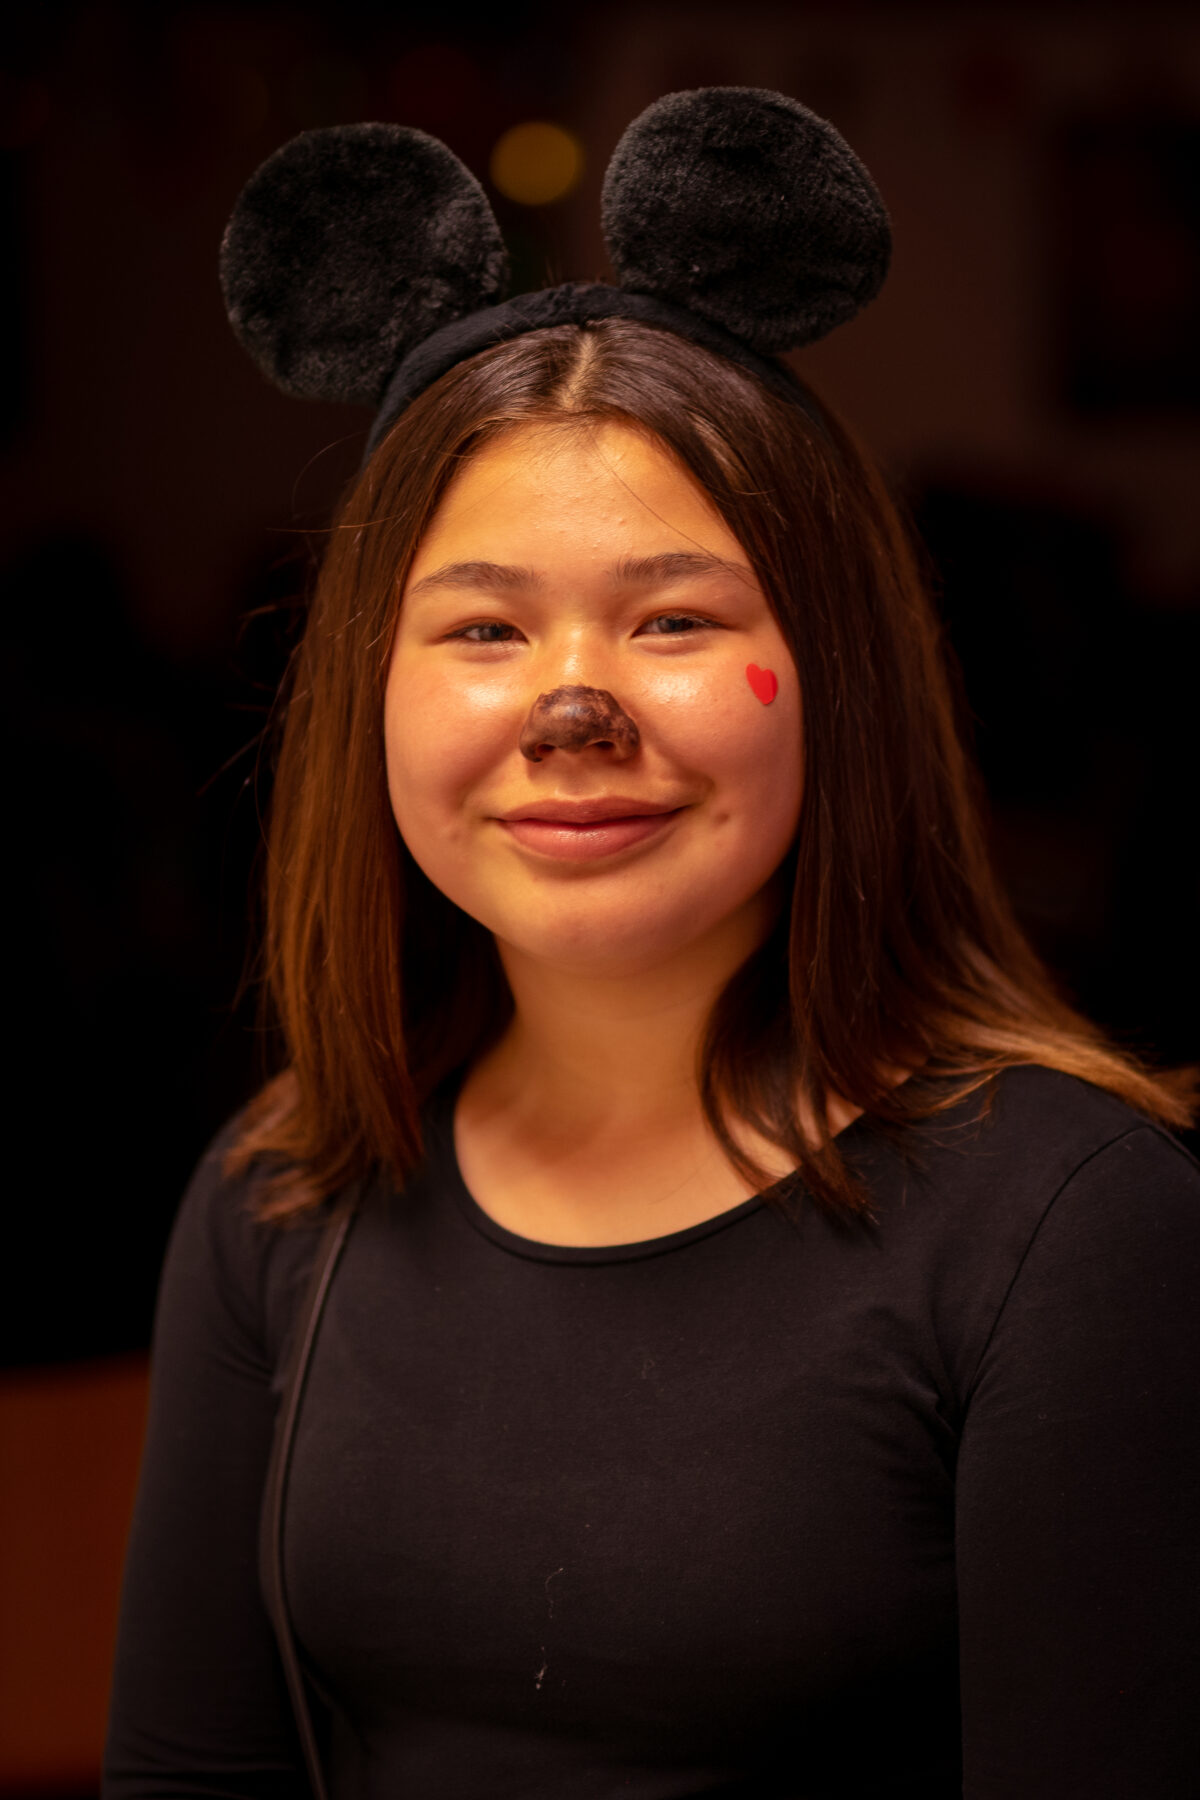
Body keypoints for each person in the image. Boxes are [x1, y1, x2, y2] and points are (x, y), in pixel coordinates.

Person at [103, 91, 1200, 1799]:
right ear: (370, 696)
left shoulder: (1073, 1227)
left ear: (835, 674)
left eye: (674, 618)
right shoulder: (281, 1198)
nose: (573, 709)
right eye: (483, 629)